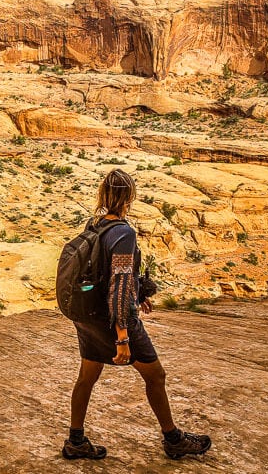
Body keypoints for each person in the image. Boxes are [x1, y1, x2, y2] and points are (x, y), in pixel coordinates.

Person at [62, 169, 212, 460]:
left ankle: (76, 441)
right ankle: (173, 439)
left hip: (88, 315)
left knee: (86, 377)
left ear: (103, 195)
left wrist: (138, 293)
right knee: (156, 376)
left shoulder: (94, 225)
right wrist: (122, 336)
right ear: (130, 196)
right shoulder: (123, 232)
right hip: (113, 319)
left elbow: (109, 275)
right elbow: (118, 285)